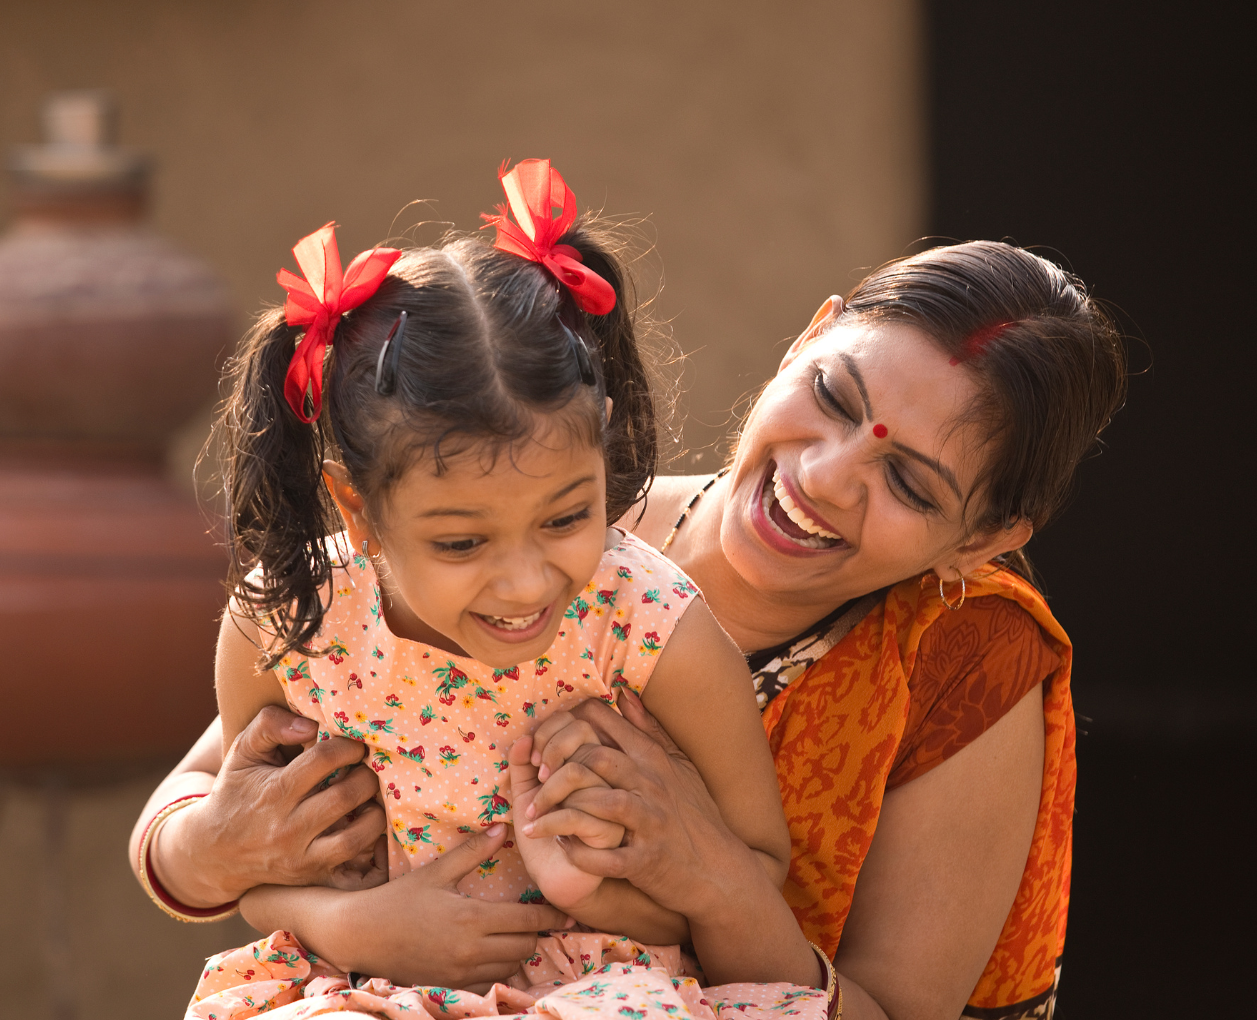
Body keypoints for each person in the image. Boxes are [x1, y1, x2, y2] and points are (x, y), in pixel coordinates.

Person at [135, 236, 1126, 1020]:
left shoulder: (961, 662)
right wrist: (266, 877)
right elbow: (214, 801)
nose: (823, 476)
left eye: (909, 481)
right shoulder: (526, 515)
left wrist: (711, 880)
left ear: (985, 537)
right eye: (831, 397)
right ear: (807, 337)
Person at [160, 160, 836, 1020]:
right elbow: (252, 853)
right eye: (461, 541)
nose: (525, 580)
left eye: (565, 518)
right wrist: (355, 927)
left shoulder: (648, 626)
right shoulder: (292, 624)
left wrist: (590, 895)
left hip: (608, 990)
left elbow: (754, 869)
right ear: (357, 510)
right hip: (356, 985)